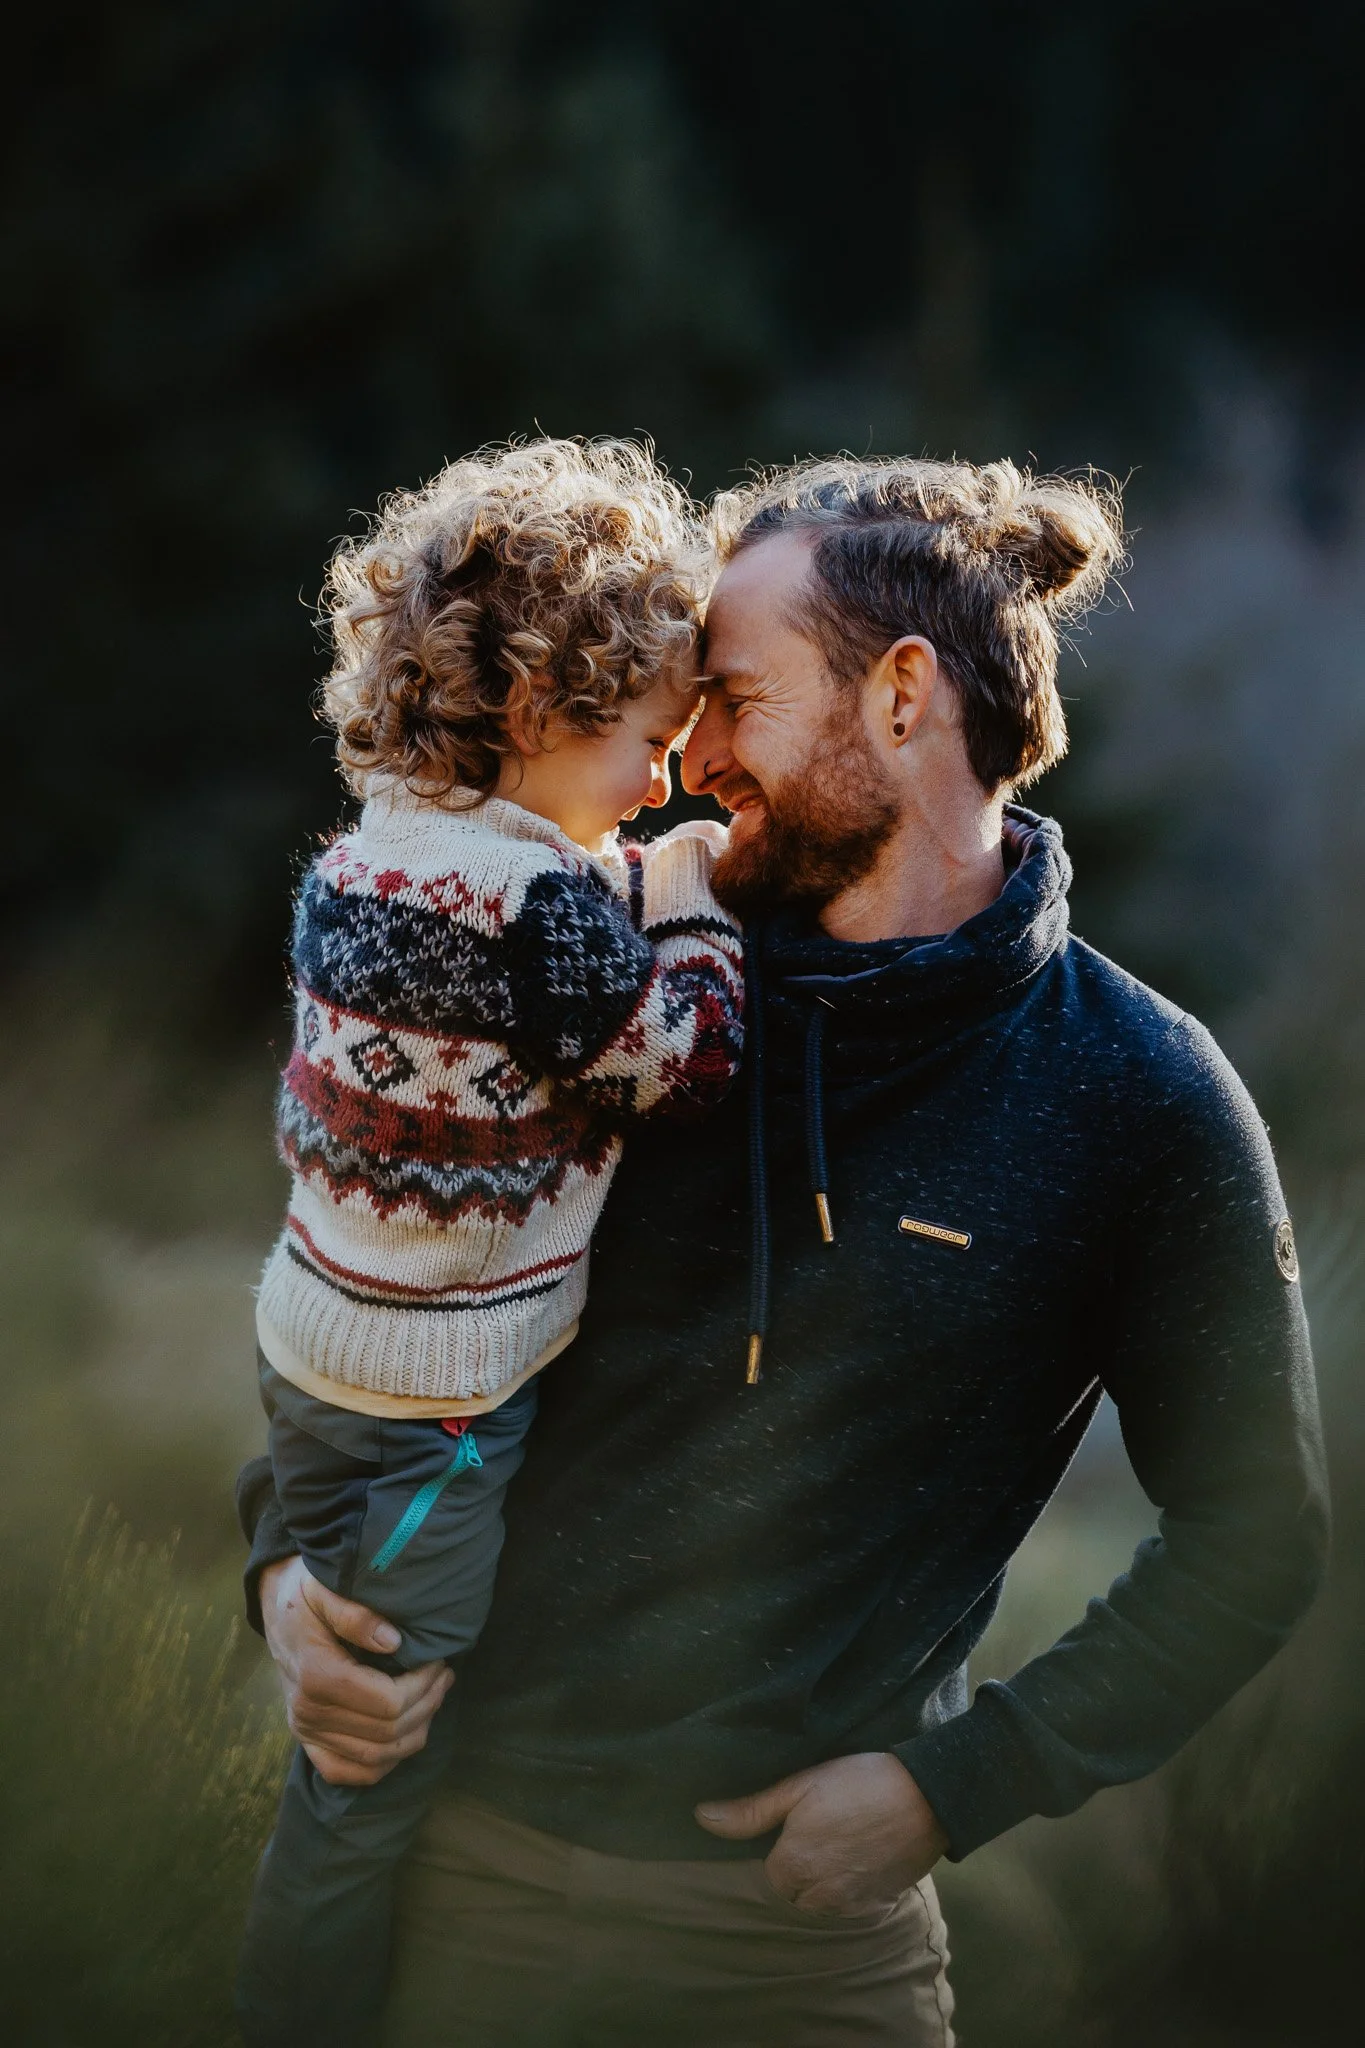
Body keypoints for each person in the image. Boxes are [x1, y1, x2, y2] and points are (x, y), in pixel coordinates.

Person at [238, 454, 1328, 2048]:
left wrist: (951, 1789)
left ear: (901, 699)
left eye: (732, 699)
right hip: (466, 1899)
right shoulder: (604, 974)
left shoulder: (1141, 1097)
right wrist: (280, 1572)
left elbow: (1259, 1535)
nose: (690, 759)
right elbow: (372, 1279)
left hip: (810, 1962)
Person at [235, 438, 745, 2048]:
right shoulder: (546, 911)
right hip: (442, 1413)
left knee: (345, 1695)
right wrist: (687, 896)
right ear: (537, 710)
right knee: (370, 1762)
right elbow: (682, 1055)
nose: (661, 785)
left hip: (310, 1352)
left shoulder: (358, 858)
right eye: (647, 747)